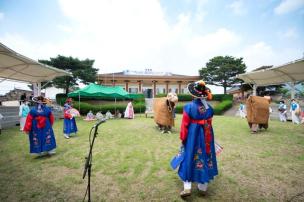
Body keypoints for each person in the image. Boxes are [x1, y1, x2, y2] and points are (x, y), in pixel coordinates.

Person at [177, 80, 218, 197]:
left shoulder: (188, 107)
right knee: (205, 156)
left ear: (192, 94)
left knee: (189, 157)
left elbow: (184, 125)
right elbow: (209, 123)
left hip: (192, 136)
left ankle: (187, 188)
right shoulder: (210, 108)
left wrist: (183, 138)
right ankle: (203, 187)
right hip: (207, 135)